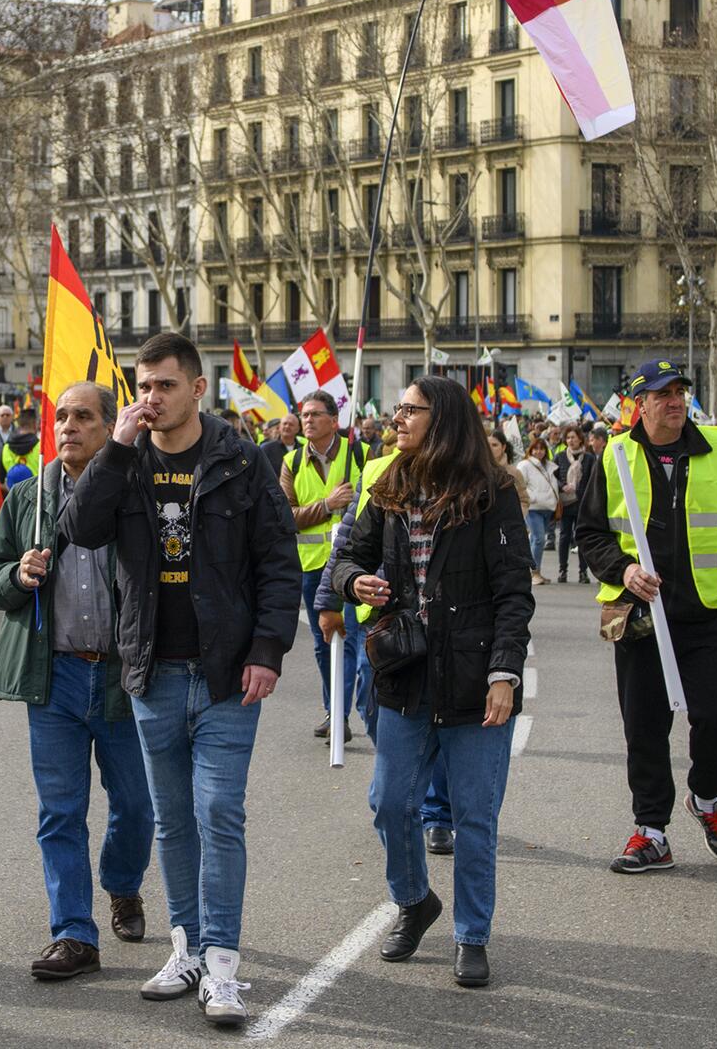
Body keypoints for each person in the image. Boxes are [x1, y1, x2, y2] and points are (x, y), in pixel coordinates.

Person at [61, 332, 300, 1027]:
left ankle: (223, 966)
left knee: (219, 812)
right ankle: (187, 947)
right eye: (143, 386)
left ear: (199, 388)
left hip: (226, 672)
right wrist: (115, 450)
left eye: (165, 385)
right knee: (172, 820)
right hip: (152, 670)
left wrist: (268, 649)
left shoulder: (240, 460)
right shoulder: (125, 461)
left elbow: (278, 564)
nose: (152, 398)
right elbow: (78, 527)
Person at [332, 376, 534, 989]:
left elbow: (513, 593)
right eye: (397, 409)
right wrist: (352, 583)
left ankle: (472, 935)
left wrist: (504, 674)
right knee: (390, 803)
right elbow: (348, 555)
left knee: (474, 815)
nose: (397, 418)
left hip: (475, 680)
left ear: (441, 419)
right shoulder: (388, 485)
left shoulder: (491, 491)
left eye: (410, 410)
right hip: (404, 674)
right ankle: (414, 900)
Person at [0, 381, 153, 982]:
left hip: (122, 679)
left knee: (135, 805)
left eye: (83, 416)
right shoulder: (28, 497)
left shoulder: (137, 491)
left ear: (111, 428)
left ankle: (123, 885)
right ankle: (74, 933)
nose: (69, 426)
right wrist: (16, 574)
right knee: (60, 812)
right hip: (51, 678)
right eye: (62, 416)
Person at [576, 358, 717, 876]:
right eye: (662, 394)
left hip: (715, 613)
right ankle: (652, 831)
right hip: (641, 616)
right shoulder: (615, 454)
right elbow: (590, 533)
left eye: (680, 390)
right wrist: (625, 569)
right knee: (645, 726)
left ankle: (706, 797)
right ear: (640, 404)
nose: (675, 400)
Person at [280, 389, 365, 742]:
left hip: (355, 564)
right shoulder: (293, 462)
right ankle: (335, 710)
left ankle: (344, 713)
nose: (308, 420)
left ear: (334, 421)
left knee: (350, 641)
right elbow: (284, 516)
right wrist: (327, 505)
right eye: (305, 414)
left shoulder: (359, 454)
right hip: (313, 567)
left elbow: (374, 504)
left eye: (316, 414)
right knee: (323, 643)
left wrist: (353, 502)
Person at [517, 436, 559, 586]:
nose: (539, 452)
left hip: (547, 507)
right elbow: (521, 485)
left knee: (535, 540)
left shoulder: (550, 466)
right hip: (533, 507)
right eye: (536, 448)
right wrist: (533, 497)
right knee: (539, 538)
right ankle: (533, 572)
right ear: (531, 450)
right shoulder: (525, 465)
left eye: (541, 449)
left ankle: (535, 571)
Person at [553, 425, 589, 584]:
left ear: (580, 438)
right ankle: (562, 570)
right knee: (564, 536)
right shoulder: (560, 456)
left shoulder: (589, 458)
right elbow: (552, 476)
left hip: (583, 503)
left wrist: (578, 488)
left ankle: (583, 572)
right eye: (568, 438)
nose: (571, 440)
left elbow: (592, 479)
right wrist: (563, 486)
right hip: (566, 503)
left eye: (573, 437)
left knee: (582, 537)